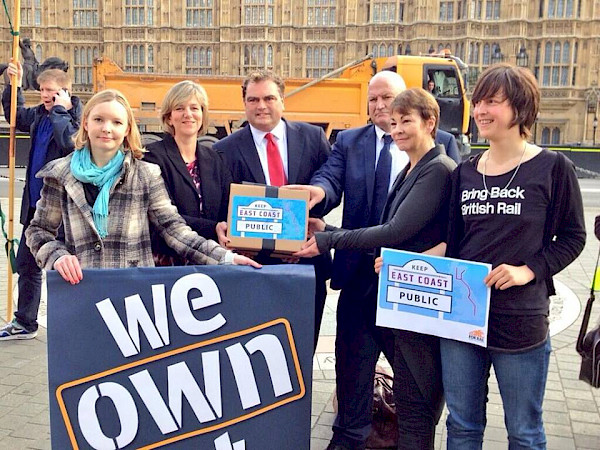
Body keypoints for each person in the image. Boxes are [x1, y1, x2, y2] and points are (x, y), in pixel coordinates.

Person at [290, 70, 453, 450]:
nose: (383, 110)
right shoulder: (351, 140)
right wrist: (318, 192)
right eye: (375, 100)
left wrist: (329, 239)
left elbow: (439, 220)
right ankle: (348, 438)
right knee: (352, 373)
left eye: (394, 106)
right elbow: (330, 179)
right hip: (361, 279)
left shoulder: (438, 153)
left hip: (410, 289)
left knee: (416, 384)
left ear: (423, 116)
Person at [442, 63, 585, 449]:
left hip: (520, 319)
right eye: (478, 101)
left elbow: (573, 238)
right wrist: (402, 264)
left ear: (520, 109)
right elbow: (451, 243)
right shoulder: (463, 174)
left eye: (492, 102)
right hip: (463, 317)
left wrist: (528, 270)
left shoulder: (553, 167)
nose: (480, 111)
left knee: (523, 430)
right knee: (462, 426)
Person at [24, 89, 260, 284]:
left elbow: (175, 230)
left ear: (126, 129)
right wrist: (57, 256)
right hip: (81, 289)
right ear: (85, 123)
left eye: (116, 122)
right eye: (99, 120)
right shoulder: (60, 174)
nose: (107, 128)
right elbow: (38, 231)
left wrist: (226, 258)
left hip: (134, 294)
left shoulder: (145, 174)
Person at [213, 69, 332, 351]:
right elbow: (222, 208)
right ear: (244, 103)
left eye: (269, 98)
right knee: (256, 351)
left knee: (303, 349)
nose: (261, 106)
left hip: (307, 263)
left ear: (283, 100)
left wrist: (320, 198)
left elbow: (332, 186)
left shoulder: (313, 138)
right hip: (255, 267)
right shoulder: (224, 149)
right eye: (253, 100)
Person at [0, 60, 82, 340]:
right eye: (43, 90)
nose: (45, 95)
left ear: (65, 92)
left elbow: (69, 141)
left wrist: (61, 109)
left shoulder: (74, 118)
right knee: (27, 264)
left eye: (51, 91)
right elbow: (15, 115)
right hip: (36, 209)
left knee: (65, 270)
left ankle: (74, 326)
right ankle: (25, 322)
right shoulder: (39, 115)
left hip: (64, 212)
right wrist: (14, 84)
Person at [143, 80, 232, 265]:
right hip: (169, 262)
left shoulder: (216, 159)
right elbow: (163, 217)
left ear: (202, 114)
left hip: (211, 260)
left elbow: (228, 208)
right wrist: (214, 228)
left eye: (194, 108)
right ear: (169, 117)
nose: (188, 114)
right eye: (180, 108)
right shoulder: (152, 157)